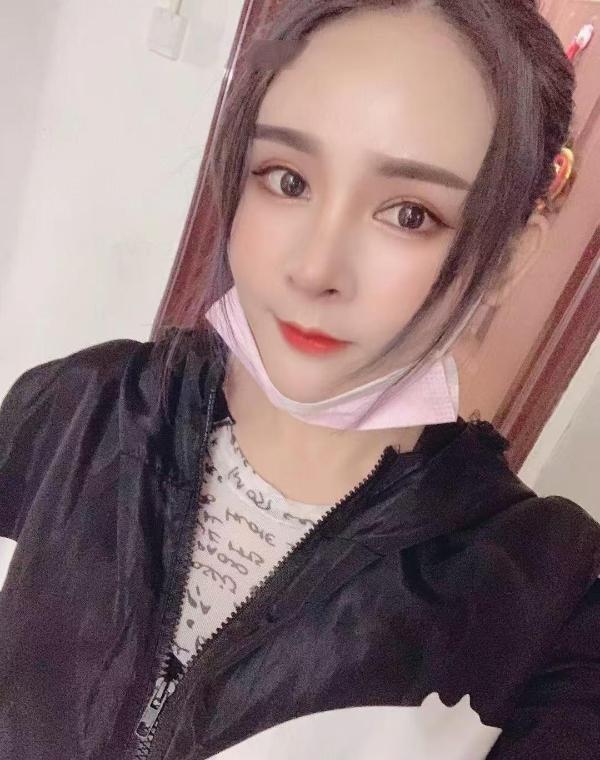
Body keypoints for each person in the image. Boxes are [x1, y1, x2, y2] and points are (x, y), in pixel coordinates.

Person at [0, 1, 598, 758]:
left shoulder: (548, 602)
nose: (315, 268)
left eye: (410, 214)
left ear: (508, 258)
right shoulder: (73, 407)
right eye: (287, 180)